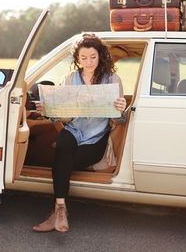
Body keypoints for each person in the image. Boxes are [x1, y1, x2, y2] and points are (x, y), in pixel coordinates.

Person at [33, 33, 126, 233]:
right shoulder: (70, 79)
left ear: (100, 55)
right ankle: (60, 209)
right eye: (83, 58)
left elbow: (118, 120)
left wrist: (120, 108)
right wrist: (48, 110)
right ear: (77, 59)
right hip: (74, 130)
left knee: (61, 163)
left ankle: (54, 214)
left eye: (93, 56)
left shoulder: (112, 79)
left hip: (97, 135)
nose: (89, 62)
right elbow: (64, 118)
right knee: (63, 147)